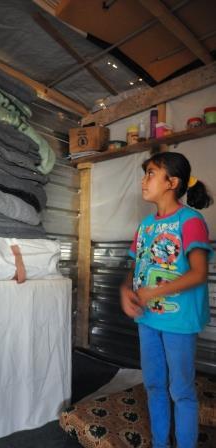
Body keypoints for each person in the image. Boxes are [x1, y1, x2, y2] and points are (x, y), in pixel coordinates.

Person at [120, 151, 213, 448]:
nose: (143, 180)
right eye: (145, 173)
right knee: (154, 385)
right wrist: (126, 289)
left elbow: (199, 273)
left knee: (181, 390)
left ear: (171, 182)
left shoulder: (191, 221)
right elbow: (134, 267)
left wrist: (153, 291)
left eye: (151, 173)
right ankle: (161, 443)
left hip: (179, 321)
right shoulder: (145, 226)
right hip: (147, 319)